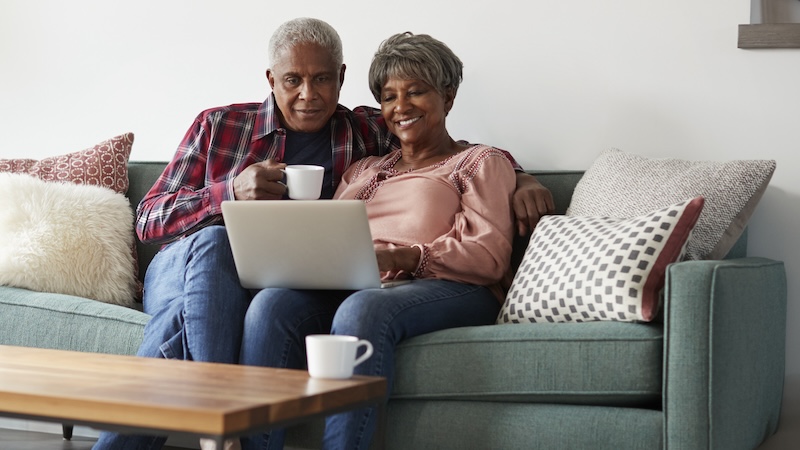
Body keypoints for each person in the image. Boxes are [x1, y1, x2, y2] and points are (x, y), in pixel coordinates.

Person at [93, 17, 553, 450]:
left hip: (299, 282)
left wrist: (524, 179)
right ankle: (220, 409)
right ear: (271, 80)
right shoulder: (220, 127)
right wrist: (228, 191)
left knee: (259, 306)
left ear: (341, 77)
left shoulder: (363, 134)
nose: (308, 94)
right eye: (293, 80)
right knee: (217, 244)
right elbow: (148, 219)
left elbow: (460, 155)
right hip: (186, 265)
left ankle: (224, 432)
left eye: (323, 79)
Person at [237, 30, 518, 450]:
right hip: (358, 282)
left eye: (416, 92)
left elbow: (489, 257)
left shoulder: (478, 163)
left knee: (362, 309)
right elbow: (329, 236)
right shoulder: (363, 168)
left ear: (449, 96)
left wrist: (401, 256)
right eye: (389, 97)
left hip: (450, 286)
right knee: (271, 304)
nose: (401, 107)